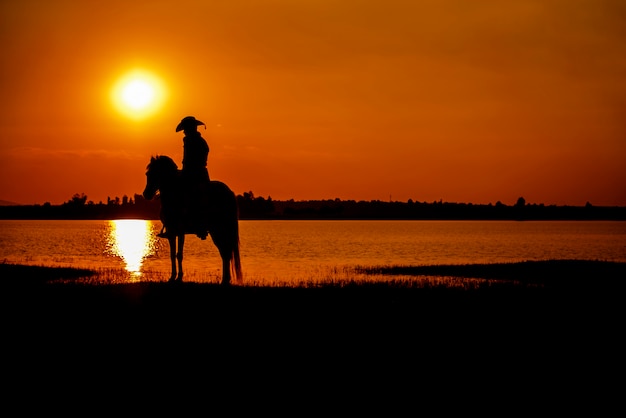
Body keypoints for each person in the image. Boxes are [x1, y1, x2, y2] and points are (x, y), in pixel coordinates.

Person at [158, 116, 210, 239]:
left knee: (185, 194)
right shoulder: (193, 140)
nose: (185, 132)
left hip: (196, 174)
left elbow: (193, 161)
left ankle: (197, 224)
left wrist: (186, 170)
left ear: (191, 128)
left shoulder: (195, 141)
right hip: (193, 172)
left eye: (186, 129)